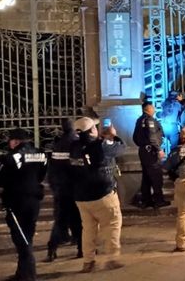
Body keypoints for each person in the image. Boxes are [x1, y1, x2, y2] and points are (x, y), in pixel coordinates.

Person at [70, 117, 126, 273]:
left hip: (81, 197)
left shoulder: (74, 147)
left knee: (88, 230)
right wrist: (113, 135)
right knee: (112, 224)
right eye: (94, 127)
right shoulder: (101, 146)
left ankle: (88, 261)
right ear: (91, 131)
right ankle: (112, 258)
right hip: (102, 194)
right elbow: (121, 148)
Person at [0, 128, 47, 281]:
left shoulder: (12, 157)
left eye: (10, 140)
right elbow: (42, 174)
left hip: (17, 202)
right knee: (27, 236)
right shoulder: (41, 154)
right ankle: (22, 273)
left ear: (15, 141)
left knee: (21, 239)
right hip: (34, 200)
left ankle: (29, 275)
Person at [45, 119, 82, 262]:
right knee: (78, 219)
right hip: (74, 187)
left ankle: (52, 249)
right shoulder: (76, 142)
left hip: (60, 188)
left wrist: (54, 185)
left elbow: (52, 168)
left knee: (60, 221)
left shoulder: (57, 144)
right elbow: (78, 167)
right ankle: (81, 248)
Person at [133, 102, 169, 208]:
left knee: (146, 177)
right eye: (152, 108)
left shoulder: (139, 120)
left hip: (143, 151)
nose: (154, 109)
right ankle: (158, 200)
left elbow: (135, 137)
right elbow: (152, 137)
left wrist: (143, 146)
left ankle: (146, 200)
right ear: (148, 109)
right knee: (156, 176)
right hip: (151, 152)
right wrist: (159, 149)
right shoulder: (150, 120)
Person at [161, 91, 185, 155]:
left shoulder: (164, 103)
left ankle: (166, 156)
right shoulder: (177, 104)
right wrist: (181, 101)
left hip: (164, 126)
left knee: (164, 145)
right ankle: (172, 158)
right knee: (174, 147)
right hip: (172, 127)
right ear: (176, 96)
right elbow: (183, 110)